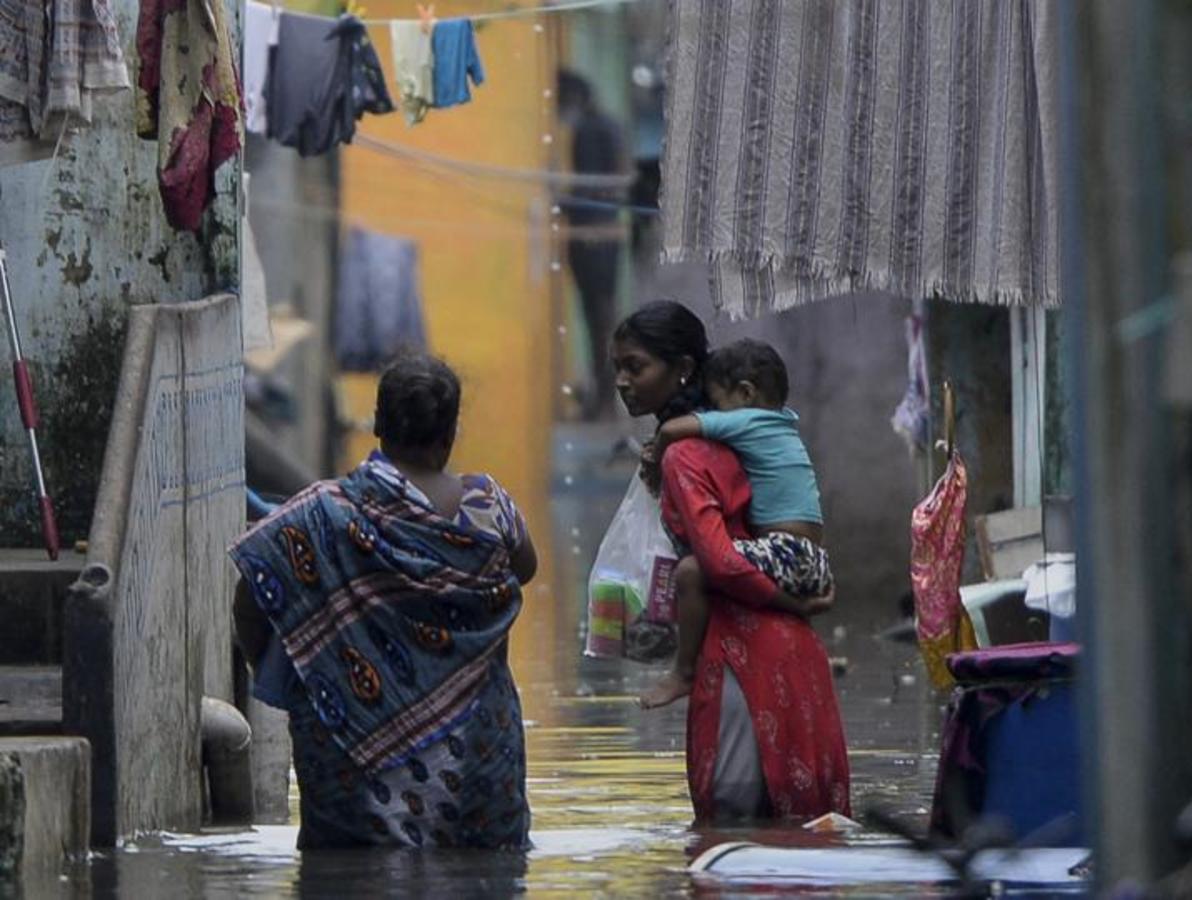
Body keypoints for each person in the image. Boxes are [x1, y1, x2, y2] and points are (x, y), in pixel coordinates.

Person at [230, 355, 538, 850]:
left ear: (376, 424)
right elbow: (525, 570)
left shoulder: (319, 513)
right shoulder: (489, 506)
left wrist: (308, 667)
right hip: (475, 758)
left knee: (347, 878)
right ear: (451, 432)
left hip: (349, 756)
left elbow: (251, 597)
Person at [611, 300, 852, 823]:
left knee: (733, 834)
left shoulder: (686, 453)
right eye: (618, 370)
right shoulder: (737, 432)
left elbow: (717, 564)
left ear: (682, 370)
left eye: (635, 366)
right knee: (806, 840)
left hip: (744, 659)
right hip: (791, 650)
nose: (623, 382)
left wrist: (792, 602)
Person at [639, 339, 833, 710]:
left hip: (786, 551)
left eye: (718, 403)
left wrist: (654, 461)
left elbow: (671, 430)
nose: (715, 414)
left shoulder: (748, 421)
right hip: (811, 558)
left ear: (745, 393)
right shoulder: (783, 423)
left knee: (691, 571)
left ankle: (682, 671)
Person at [558, 69, 627, 420]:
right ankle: (604, 400)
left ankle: (604, 401)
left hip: (593, 239)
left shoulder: (590, 129)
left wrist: (563, 202)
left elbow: (598, 186)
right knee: (600, 320)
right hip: (603, 237)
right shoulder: (607, 126)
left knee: (598, 320)